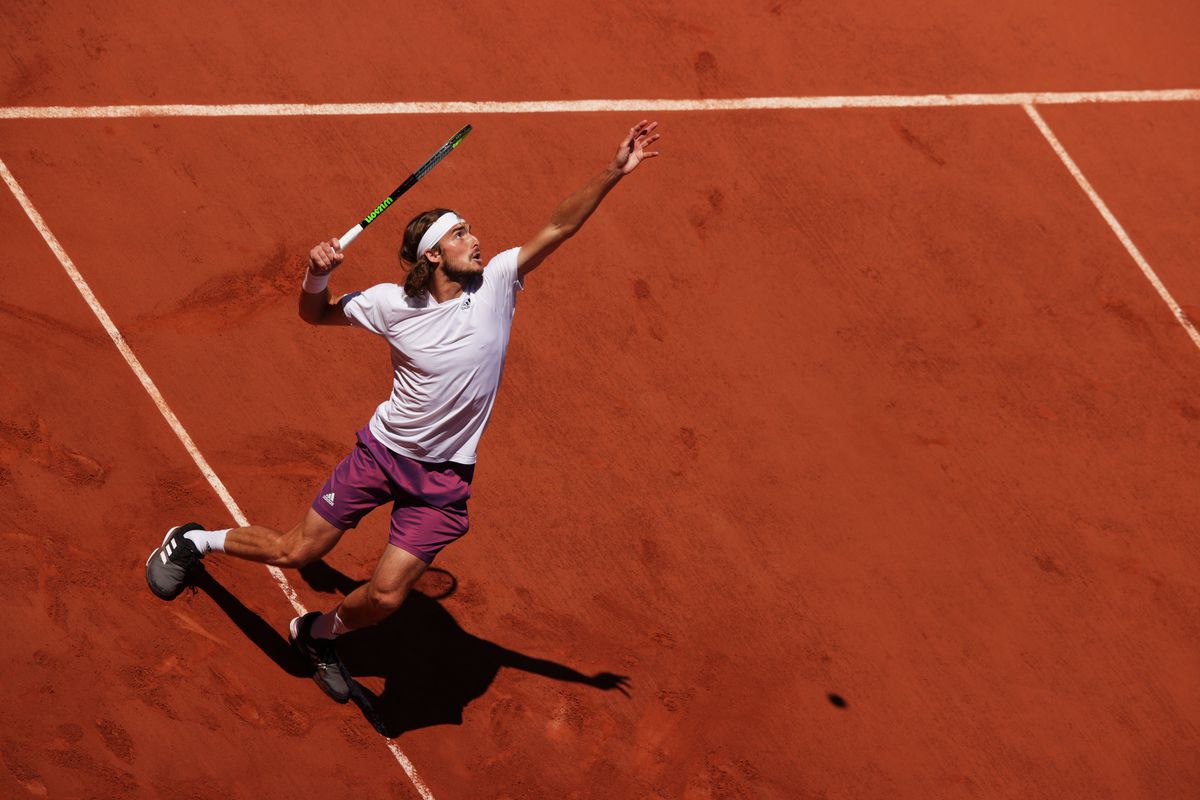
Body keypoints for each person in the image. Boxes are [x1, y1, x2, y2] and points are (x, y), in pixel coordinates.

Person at [146, 120, 662, 702]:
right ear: (436, 253)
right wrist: (317, 272)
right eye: (462, 233)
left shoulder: (496, 284)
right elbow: (313, 315)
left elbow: (560, 223)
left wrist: (614, 172)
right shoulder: (392, 304)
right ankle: (193, 541)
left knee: (387, 596)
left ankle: (315, 634)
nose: (477, 239)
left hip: (443, 478)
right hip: (383, 454)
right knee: (298, 552)